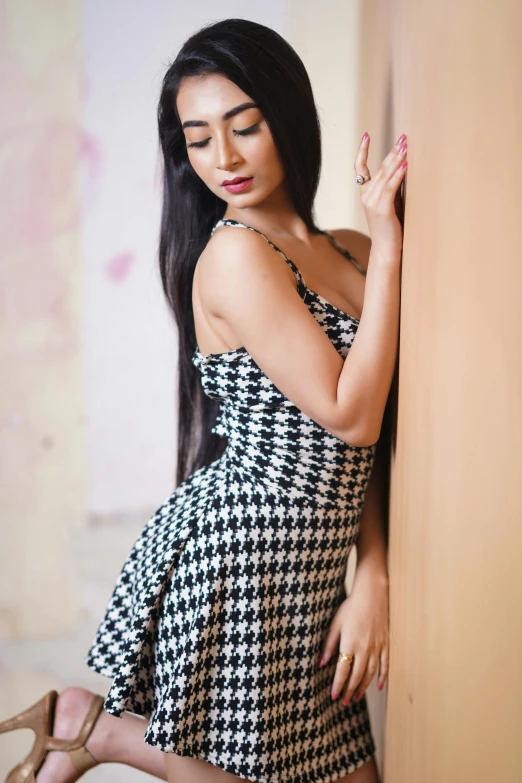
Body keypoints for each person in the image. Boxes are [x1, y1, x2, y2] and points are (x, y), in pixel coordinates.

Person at [0, 17, 406, 783]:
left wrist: (373, 570)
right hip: (243, 564)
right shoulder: (236, 257)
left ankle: (85, 722)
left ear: (286, 115)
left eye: (244, 126)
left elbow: (366, 442)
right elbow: (353, 413)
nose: (223, 158)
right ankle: (99, 729)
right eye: (198, 138)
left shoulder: (348, 250)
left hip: (315, 576)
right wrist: (391, 245)